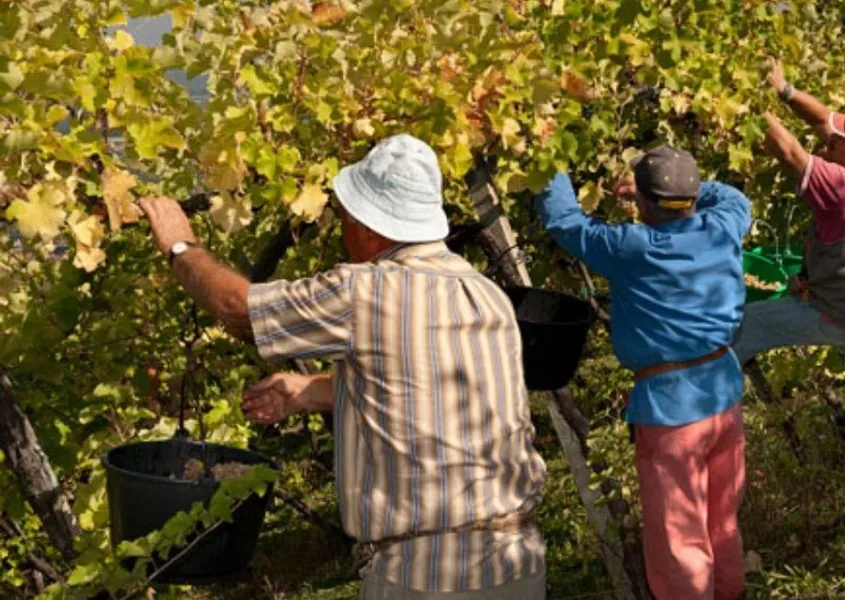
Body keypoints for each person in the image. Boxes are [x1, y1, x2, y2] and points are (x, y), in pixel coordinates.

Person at [139, 134, 548, 599]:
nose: (342, 228)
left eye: (347, 217)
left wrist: (179, 245)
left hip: (428, 578)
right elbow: (422, 386)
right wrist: (309, 390)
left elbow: (237, 308)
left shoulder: (365, 292)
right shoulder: (485, 294)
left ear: (372, 227)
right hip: (517, 565)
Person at [534, 147, 750, 600]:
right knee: (721, 518)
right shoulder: (725, 225)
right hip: (725, 392)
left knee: (679, 536)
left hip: (672, 409)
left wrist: (546, 154)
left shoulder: (633, 248)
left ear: (645, 203)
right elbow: (731, 196)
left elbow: (564, 221)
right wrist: (682, 188)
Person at [733, 60, 845, 524]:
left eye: (837, 140)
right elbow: (822, 121)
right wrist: (784, 89)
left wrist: (740, 102)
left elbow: (792, 151)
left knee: (737, 330)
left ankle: (702, 414)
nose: (827, 139)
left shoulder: (839, 185)